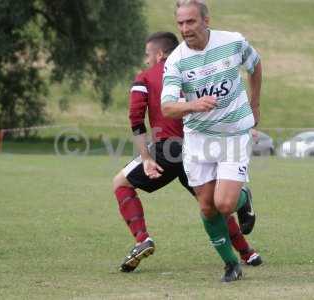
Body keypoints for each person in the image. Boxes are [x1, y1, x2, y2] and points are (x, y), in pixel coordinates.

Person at [112, 31, 262, 273]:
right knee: (213, 204)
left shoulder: (146, 78)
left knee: (120, 183)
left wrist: (147, 158)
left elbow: (136, 119)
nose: (146, 60)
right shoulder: (194, 68)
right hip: (200, 143)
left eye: (147, 55)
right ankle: (248, 252)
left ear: (159, 54)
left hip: (170, 149)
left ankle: (142, 239)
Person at [161, 0, 262, 282]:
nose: (185, 29)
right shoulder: (176, 60)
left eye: (190, 22)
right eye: (180, 23)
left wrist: (255, 103)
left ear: (206, 20)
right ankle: (231, 264)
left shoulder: (233, 42)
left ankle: (244, 198)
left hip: (234, 134)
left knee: (225, 204)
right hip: (198, 139)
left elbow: (255, 65)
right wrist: (194, 105)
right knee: (207, 206)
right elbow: (168, 106)